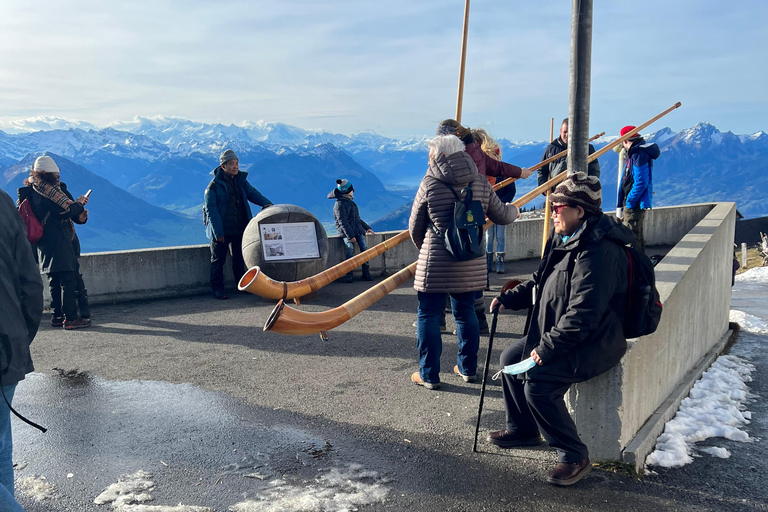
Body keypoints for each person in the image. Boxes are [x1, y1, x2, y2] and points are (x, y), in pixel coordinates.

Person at [488, 173, 633, 486]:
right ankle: (523, 429)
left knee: (537, 385)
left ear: (580, 211)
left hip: (593, 341)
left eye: (558, 206)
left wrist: (545, 349)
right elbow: (542, 284)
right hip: (560, 333)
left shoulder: (599, 253)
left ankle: (574, 455)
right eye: (551, 205)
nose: (552, 211)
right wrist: (509, 298)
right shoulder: (563, 237)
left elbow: (583, 315)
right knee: (510, 358)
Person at [409, 134, 519, 390]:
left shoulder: (429, 182)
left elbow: (415, 225)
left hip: (435, 260)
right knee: (466, 313)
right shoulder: (480, 181)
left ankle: (429, 374)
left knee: (428, 314)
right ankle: (468, 369)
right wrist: (513, 209)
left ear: (440, 155)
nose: (429, 159)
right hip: (470, 259)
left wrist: (425, 248)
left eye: (430, 155)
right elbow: (502, 215)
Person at [436, 120, 533, 333]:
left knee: (446, 276)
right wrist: (520, 172)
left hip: (450, 224)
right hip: (474, 221)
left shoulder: (447, 157)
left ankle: (442, 321)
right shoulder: (476, 154)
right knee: (473, 275)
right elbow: (498, 167)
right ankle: (477, 324)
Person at [0, 188, 43, 511]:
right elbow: (30, 281)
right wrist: (18, 336)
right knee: (1, 448)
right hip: (8, 345)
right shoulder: (2, 202)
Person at [23, 156, 92, 329]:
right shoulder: (49, 193)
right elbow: (65, 211)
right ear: (49, 175)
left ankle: (57, 315)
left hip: (44, 242)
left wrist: (79, 216)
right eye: (56, 174)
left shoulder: (33, 191)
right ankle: (70, 318)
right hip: (59, 240)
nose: (58, 177)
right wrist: (79, 203)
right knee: (68, 279)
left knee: (54, 279)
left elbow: (61, 214)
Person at [204, 149, 273, 300]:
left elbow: (253, 193)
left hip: (240, 227)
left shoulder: (241, 180)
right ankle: (217, 289)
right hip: (221, 230)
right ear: (223, 166)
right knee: (218, 260)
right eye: (232, 164)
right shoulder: (213, 186)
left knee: (239, 259)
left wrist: (266, 203)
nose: (236, 167)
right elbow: (211, 211)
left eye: (236, 163)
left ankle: (241, 285)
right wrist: (218, 233)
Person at [472, 128, 515, 276]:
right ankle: (487, 264)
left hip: (494, 208)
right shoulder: (484, 168)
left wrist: (500, 204)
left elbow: (511, 190)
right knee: (487, 238)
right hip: (486, 210)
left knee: (498, 237)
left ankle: (497, 262)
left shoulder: (494, 170)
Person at [617, 126, 660, 254]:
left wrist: (630, 201)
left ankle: (635, 267)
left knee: (631, 237)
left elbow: (641, 181)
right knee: (637, 236)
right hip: (635, 203)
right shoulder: (637, 152)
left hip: (634, 204)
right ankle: (640, 265)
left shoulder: (638, 154)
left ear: (625, 141)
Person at [328, 179, 374, 283]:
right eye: (352, 190)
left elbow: (357, 219)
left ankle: (366, 273)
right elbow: (342, 221)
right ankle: (348, 275)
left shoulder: (351, 203)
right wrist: (350, 236)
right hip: (347, 233)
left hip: (357, 231)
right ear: (348, 191)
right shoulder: (339, 204)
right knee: (350, 250)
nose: (353, 192)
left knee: (364, 250)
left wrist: (367, 228)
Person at [538, 118, 601, 191]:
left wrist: (587, 187)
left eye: (570, 132)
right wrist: (544, 187)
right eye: (565, 132)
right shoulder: (551, 149)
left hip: (579, 195)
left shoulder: (586, 148)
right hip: (556, 195)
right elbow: (542, 170)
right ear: (560, 131)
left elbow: (594, 171)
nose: (567, 135)